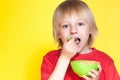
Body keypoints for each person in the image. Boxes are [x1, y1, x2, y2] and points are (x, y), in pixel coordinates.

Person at [41, 0, 120, 80]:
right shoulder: (50, 59)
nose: (73, 30)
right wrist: (65, 58)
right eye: (65, 26)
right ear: (58, 33)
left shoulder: (106, 61)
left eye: (80, 24)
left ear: (91, 29)